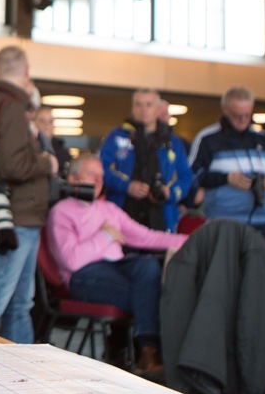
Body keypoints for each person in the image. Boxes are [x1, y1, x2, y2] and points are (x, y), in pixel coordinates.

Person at [45, 154, 188, 375]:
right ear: (73, 178)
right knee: (149, 293)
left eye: (101, 175)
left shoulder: (108, 209)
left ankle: (145, 354)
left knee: (150, 267)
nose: (98, 180)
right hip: (83, 276)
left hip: (119, 266)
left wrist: (191, 240)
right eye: (91, 174)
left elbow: (148, 237)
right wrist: (106, 236)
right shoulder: (61, 212)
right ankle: (149, 353)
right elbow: (72, 260)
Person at [0, 46, 57, 344]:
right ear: (27, 70)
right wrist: (47, 162)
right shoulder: (13, 107)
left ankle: (19, 373)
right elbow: (13, 165)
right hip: (16, 219)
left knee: (18, 305)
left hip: (14, 216)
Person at [187, 85, 265, 242]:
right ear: (225, 111)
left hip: (262, 223)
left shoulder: (263, 138)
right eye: (237, 115)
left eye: (247, 114)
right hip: (222, 224)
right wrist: (226, 178)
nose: (243, 120)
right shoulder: (207, 138)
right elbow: (192, 174)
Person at [99, 88, 193, 233]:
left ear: (158, 109)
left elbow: (186, 178)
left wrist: (168, 193)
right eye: (139, 105)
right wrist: (127, 186)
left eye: (149, 105)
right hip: (121, 214)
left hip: (162, 216)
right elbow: (101, 169)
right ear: (132, 108)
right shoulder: (116, 136)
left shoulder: (173, 142)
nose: (144, 109)